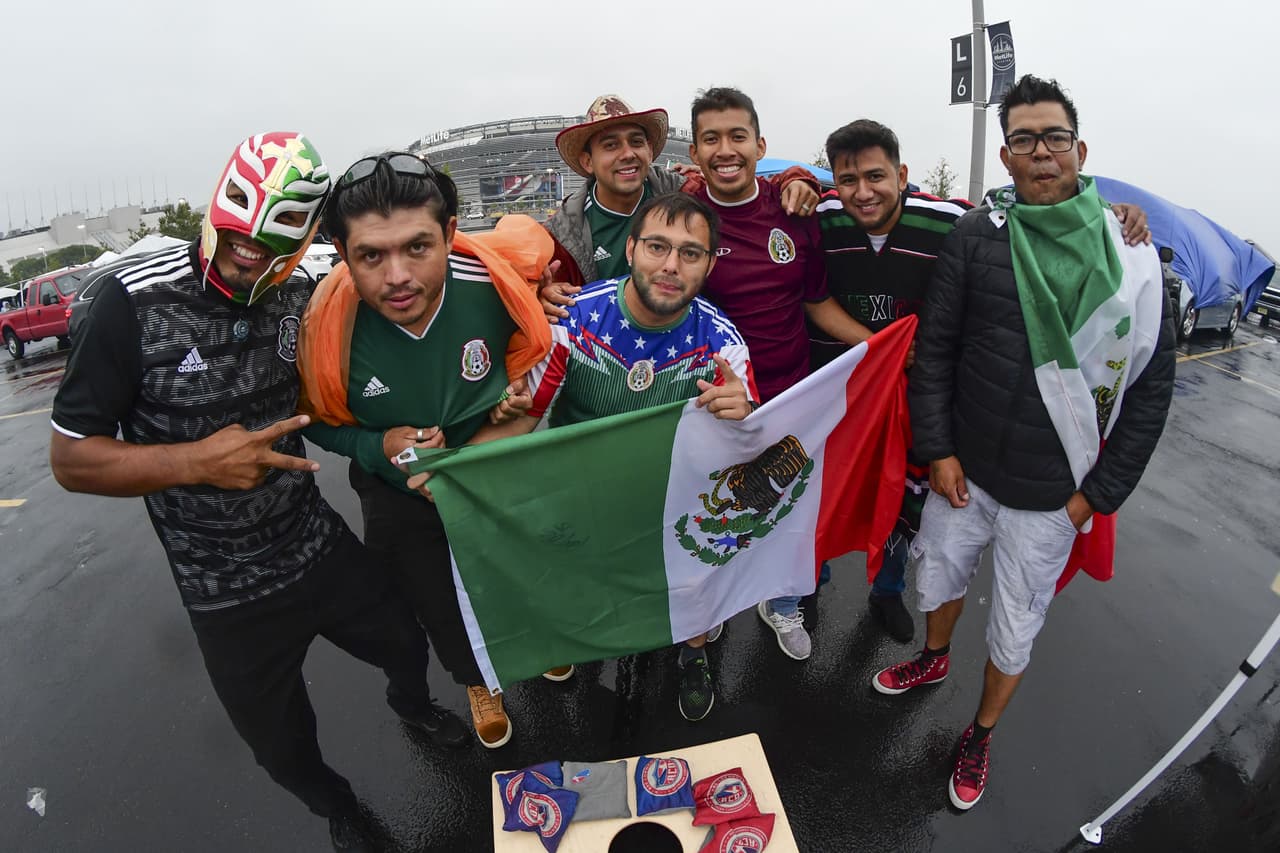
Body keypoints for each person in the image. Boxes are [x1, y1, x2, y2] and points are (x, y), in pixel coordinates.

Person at [48, 133, 468, 853]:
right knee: (280, 744)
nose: (246, 257)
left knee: (404, 637)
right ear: (218, 206)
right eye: (236, 236)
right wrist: (193, 461)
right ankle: (337, 806)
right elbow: (69, 458)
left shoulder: (302, 294)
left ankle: (413, 704)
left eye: (270, 245)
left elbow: (384, 331)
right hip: (222, 586)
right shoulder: (129, 300)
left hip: (311, 540)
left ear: (306, 239)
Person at [871, 76, 1176, 810]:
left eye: (1055, 137)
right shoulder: (979, 233)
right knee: (937, 577)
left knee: (1015, 623)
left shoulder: (1131, 254)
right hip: (964, 475)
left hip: (1051, 496)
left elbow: (1148, 396)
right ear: (1006, 157)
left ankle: (979, 731)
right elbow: (937, 347)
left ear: (1080, 148)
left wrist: (1090, 501)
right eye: (1025, 139)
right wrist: (938, 450)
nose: (1042, 151)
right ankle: (935, 659)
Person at [813, 121, 1152, 644]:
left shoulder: (952, 222)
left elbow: (1029, 214)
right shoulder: (822, 220)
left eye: (876, 176)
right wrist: (791, 177)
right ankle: (811, 579)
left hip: (921, 396)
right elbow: (776, 220)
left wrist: (1110, 214)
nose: (863, 192)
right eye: (848, 179)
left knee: (911, 497)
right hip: (849, 394)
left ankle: (887, 590)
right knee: (831, 492)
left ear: (902, 175)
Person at [433, 192, 755, 722]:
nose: (671, 265)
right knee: (575, 581)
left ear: (710, 264)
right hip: (585, 495)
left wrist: (742, 411)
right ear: (630, 249)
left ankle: (695, 654)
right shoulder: (573, 317)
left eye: (691, 253)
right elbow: (524, 418)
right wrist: (449, 469)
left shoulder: (723, 343)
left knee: (696, 582)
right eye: (657, 246)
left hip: (672, 499)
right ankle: (570, 646)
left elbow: (749, 440)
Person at [296, 152, 552, 749]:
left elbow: (535, 353)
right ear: (342, 253)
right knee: (435, 595)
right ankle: (475, 681)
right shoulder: (326, 326)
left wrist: (506, 400)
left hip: (490, 464)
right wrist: (374, 445)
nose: (397, 277)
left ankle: (543, 643)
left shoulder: (494, 287)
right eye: (371, 256)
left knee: (519, 563)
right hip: (398, 492)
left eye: (417, 247)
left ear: (451, 234)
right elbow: (316, 421)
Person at [684, 87, 871, 661]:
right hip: (711, 405)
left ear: (758, 144)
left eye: (737, 136)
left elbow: (815, 301)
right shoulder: (686, 219)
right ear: (694, 152)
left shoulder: (794, 211)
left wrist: (879, 346)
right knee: (709, 514)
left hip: (790, 398)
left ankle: (781, 601)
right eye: (711, 138)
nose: (725, 149)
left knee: (787, 509)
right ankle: (706, 611)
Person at [542, 93, 819, 294]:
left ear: (650, 151)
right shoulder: (563, 235)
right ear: (588, 162)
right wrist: (544, 297)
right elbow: (554, 301)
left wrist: (797, 178)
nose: (627, 154)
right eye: (611, 145)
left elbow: (740, 184)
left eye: (636, 142)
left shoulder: (683, 191)